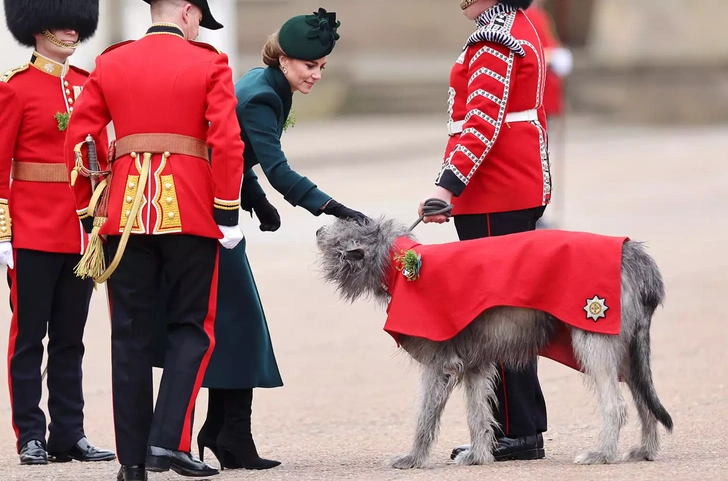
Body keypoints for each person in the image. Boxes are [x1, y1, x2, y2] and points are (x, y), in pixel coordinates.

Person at [63, 1, 246, 479]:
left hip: (123, 214)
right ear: (188, 11)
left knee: (129, 338)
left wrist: (89, 209)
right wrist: (227, 210)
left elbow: (80, 140)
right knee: (191, 327)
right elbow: (225, 139)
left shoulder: (111, 61)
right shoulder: (209, 61)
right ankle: (167, 441)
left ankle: (133, 462)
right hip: (189, 207)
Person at [187, 6, 367, 471]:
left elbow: (235, 148)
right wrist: (335, 208)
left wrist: (255, 199)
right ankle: (229, 434)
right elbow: (278, 168)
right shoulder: (263, 96)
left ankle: (225, 431)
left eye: (322, 67)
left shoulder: (263, 81)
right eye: (310, 66)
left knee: (234, 322)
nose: (317, 75)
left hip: (213, 206)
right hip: (204, 216)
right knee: (240, 322)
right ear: (285, 60)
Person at [418, 0, 551, 462]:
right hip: (503, 188)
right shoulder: (511, 26)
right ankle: (518, 428)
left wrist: (446, 187)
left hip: (495, 192)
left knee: (499, 317)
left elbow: (481, 122)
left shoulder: (495, 36)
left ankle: (512, 431)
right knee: (508, 313)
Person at [0, 0, 115, 466]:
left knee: (71, 338)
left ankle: (70, 432)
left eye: (76, 25)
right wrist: (3, 232)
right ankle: (31, 433)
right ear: (38, 27)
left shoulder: (88, 85)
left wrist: (99, 224)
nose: (73, 32)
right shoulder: (14, 88)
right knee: (29, 337)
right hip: (30, 230)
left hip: (79, 232)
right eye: (64, 25)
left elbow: (100, 163)